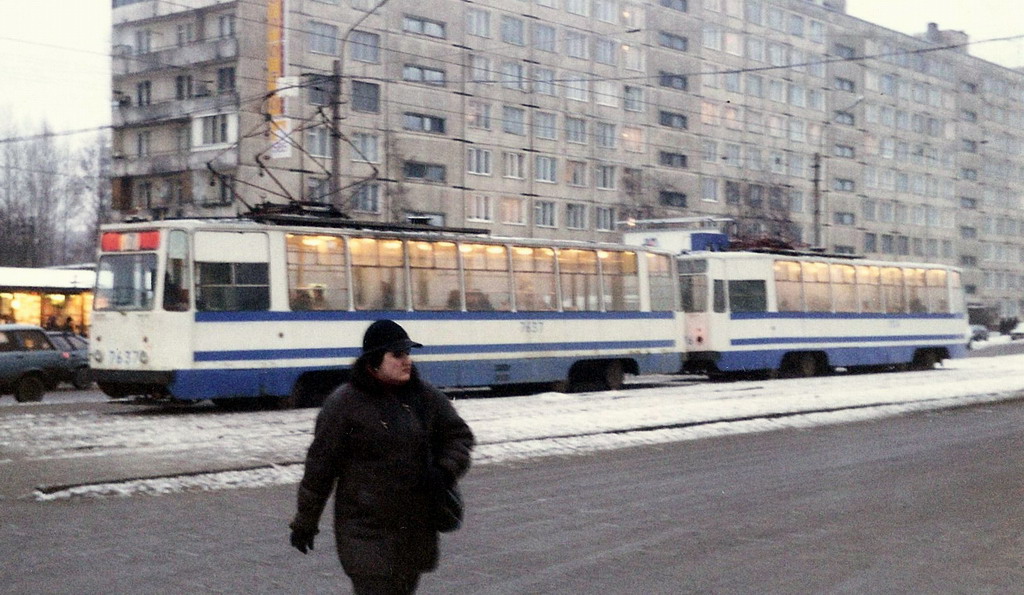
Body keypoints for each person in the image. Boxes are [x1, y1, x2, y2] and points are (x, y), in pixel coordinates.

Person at [289, 319, 474, 594]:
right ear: (374, 361)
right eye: (397, 355)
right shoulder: (345, 405)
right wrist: (305, 522)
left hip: (414, 533)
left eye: (408, 354)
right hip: (366, 533)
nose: (406, 361)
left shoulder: (424, 397)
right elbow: (320, 469)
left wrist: (445, 471)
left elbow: (459, 437)